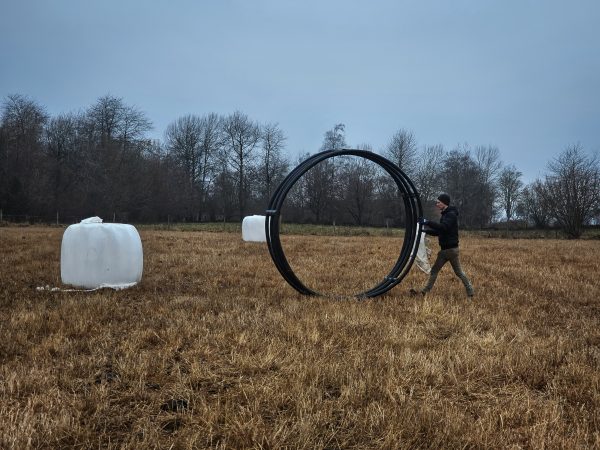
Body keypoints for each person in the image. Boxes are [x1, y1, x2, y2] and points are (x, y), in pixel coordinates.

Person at [412, 193, 474, 298]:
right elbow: (440, 231)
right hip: (448, 250)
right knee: (453, 272)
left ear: (444, 203)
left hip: (449, 250)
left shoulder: (450, 215)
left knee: (446, 271)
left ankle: (425, 291)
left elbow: (443, 227)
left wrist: (427, 222)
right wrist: (424, 231)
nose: (437, 204)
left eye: (438, 202)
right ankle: (470, 292)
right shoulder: (446, 214)